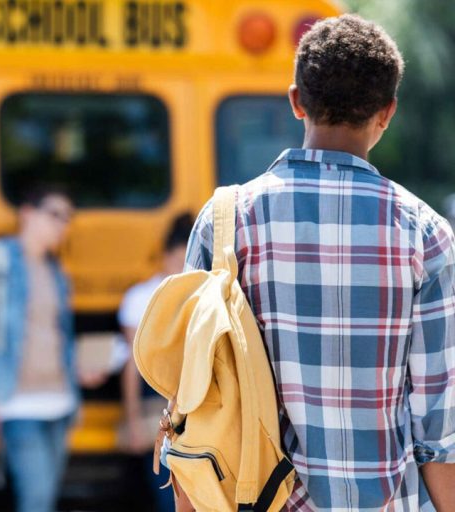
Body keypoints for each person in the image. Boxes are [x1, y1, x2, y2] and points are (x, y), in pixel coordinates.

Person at [184, 15, 455, 510]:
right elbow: (439, 424)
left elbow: (193, 398)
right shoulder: (426, 235)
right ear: (388, 112)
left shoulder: (226, 222)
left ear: (296, 101)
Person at [0, 184, 81, 512]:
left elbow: (57, 335)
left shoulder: (56, 272)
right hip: (16, 402)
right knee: (37, 497)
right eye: (55, 214)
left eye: (68, 218)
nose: (62, 225)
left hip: (59, 400)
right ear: (27, 213)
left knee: (46, 495)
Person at [118, 212, 194, 512]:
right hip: (161, 415)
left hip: (195, 409)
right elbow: (133, 364)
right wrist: (133, 421)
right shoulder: (141, 297)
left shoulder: (203, 293)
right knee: (169, 494)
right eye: (178, 258)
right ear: (164, 255)